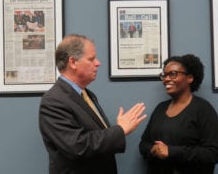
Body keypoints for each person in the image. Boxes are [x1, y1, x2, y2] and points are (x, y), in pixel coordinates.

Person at [39, 34, 147, 174]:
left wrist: (118, 129)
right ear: (73, 62)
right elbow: (78, 147)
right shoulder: (53, 100)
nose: (98, 63)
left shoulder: (88, 95)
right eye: (91, 59)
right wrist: (120, 130)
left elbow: (96, 137)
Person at [139, 54, 218, 174]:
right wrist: (153, 149)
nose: (166, 79)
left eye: (172, 74)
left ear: (190, 78)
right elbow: (143, 144)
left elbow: (213, 154)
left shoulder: (203, 109)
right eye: (164, 75)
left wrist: (171, 151)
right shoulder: (160, 108)